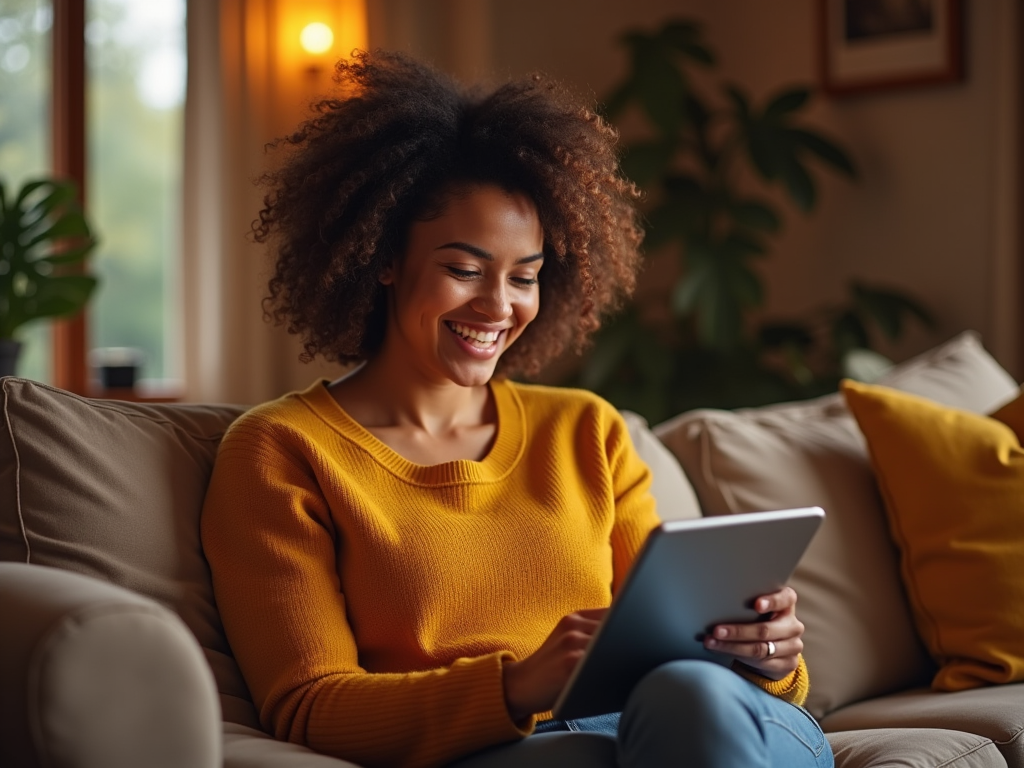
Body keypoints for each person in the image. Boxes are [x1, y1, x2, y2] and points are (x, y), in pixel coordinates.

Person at [200, 50, 833, 768]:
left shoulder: (587, 430)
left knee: (690, 697)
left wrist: (769, 653)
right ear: (383, 259)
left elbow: (689, 653)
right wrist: (519, 682)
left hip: (697, 720)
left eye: (524, 277)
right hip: (508, 749)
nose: (498, 307)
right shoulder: (282, 451)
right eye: (463, 270)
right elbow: (309, 705)